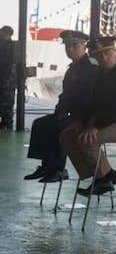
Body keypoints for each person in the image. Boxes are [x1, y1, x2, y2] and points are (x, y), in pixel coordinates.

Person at [60, 36, 116, 196]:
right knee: (67, 136)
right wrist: (82, 122)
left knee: (87, 140)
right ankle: (105, 175)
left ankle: (102, 180)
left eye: (107, 53)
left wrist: (95, 126)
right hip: (112, 121)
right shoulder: (102, 73)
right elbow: (92, 102)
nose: (104, 58)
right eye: (99, 55)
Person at [24, 30, 97, 182]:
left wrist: (71, 114)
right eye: (67, 46)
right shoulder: (73, 69)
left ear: (84, 47)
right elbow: (66, 95)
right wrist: (61, 111)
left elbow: (89, 97)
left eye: (74, 45)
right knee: (40, 124)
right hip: (73, 113)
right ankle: (47, 166)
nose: (70, 49)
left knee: (59, 127)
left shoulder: (91, 69)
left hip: (87, 116)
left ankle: (58, 169)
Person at [0, 25, 15, 130]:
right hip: (4, 78)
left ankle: (7, 123)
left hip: (7, 80)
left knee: (7, 103)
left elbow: (11, 64)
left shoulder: (12, 46)